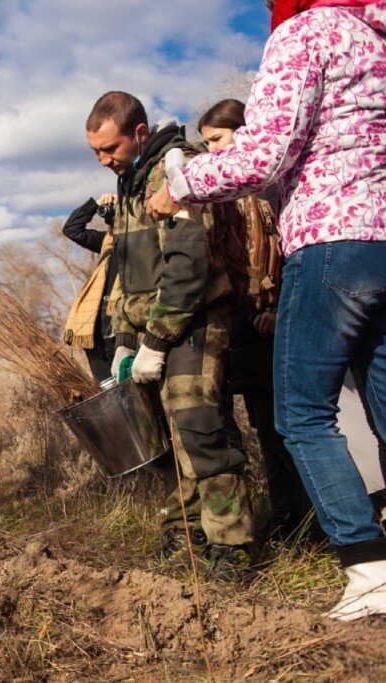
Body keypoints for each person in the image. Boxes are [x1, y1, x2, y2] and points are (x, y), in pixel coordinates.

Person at [148, 0, 386, 619]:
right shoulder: (375, 35)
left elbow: (267, 150)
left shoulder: (308, 30)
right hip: (381, 239)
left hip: (332, 237)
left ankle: (368, 568)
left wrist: (178, 187)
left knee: (302, 412)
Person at [84, 91, 255, 581]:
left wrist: (157, 340)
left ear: (139, 133)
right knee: (165, 440)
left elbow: (189, 264)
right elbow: (122, 268)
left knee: (200, 430)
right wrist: (122, 337)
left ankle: (232, 545)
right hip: (147, 329)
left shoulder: (179, 168)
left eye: (109, 149)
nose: (102, 160)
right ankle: (185, 534)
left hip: (194, 322)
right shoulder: (131, 180)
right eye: (94, 152)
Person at [197, 98, 311, 541]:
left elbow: (291, 253)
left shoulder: (271, 189)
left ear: (244, 133)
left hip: (275, 325)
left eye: (218, 140)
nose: (212, 153)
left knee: (287, 427)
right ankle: (286, 520)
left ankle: (309, 519)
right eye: (205, 144)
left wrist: (279, 306)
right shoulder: (225, 194)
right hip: (239, 328)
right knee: (263, 431)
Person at [61, 193, 117, 382]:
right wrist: (95, 205)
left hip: (120, 327)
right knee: (108, 389)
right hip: (95, 329)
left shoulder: (143, 245)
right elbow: (71, 230)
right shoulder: (106, 243)